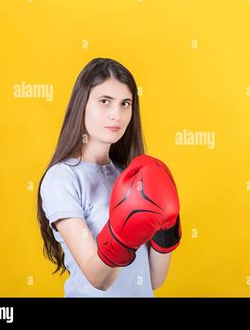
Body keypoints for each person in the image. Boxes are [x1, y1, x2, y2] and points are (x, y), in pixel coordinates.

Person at [37, 58, 181, 297]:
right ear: (82, 104)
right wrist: (125, 231)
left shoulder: (132, 174)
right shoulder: (62, 179)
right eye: (105, 102)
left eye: (125, 103)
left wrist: (168, 224)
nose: (117, 114)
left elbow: (155, 279)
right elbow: (99, 278)